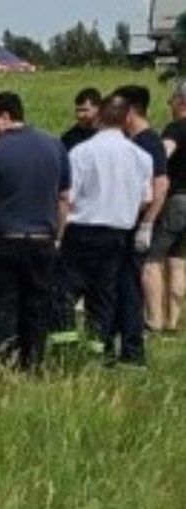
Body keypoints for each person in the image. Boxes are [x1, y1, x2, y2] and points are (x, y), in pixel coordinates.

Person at [0, 92, 71, 371]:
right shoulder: (55, 146)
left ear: (4, 117)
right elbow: (64, 198)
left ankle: (2, 368)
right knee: (36, 310)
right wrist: (56, 236)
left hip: (0, 243)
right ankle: (33, 367)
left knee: (0, 311)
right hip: (43, 243)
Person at [61, 97, 154, 363]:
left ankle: (65, 349)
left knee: (65, 291)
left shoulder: (81, 152)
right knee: (103, 295)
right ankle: (98, 351)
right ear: (127, 119)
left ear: (99, 117)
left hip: (82, 230)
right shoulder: (141, 157)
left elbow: (69, 196)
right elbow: (145, 199)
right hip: (118, 233)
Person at [115, 85, 168, 348]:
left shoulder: (149, 141)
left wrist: (147, 223)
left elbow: (160, 185)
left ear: (131, 110)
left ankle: (132, 336)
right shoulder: (132, 141)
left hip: (138, 222)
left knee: (130, 282)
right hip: (126, 221)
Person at [149, 78, 186, 331]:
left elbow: (163, 152)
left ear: (181, 102)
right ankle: (173, 322)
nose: (170, 105)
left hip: (177, 201)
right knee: (179, 262)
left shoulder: (177, 127)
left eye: (171, 100)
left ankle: (155, 322)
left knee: (153, 260)